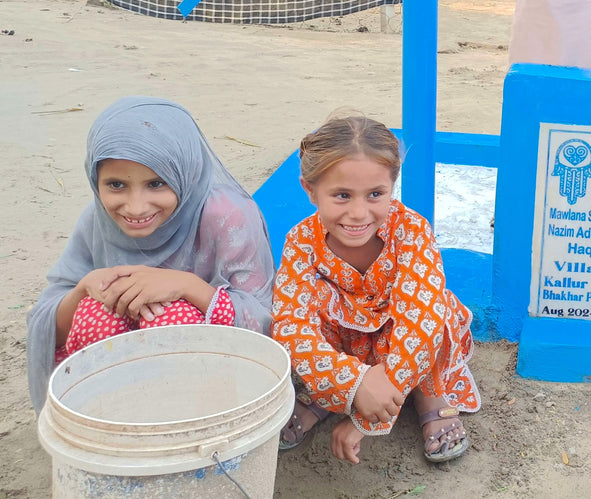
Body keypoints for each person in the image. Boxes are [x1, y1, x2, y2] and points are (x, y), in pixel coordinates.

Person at [26, 97, 276, 413]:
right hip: (117, 394)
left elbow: (265, 322)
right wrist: (84, 287)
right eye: (116, 185)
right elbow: (49, 328)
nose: (136, 207)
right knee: (95, 312)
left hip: (211, 386)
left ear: (186, 172)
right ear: (95, 179)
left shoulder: (226, 216)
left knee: (173, 320)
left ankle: (184, 428)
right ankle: (116, 423)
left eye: (157, 183)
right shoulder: (98, 220)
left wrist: (186, 286)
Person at [273, 115, 480, 464]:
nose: (358, 213)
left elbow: (420, 326)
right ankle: (327, 395)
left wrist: (367, 416)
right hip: (347, 348)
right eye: (341, 195)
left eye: (375, 194)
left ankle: (429, 395)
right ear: (310, 190)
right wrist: (354, 382)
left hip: (404, 343)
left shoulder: (412, 231)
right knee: (310, 303)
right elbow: (291, 329)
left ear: (392, 185)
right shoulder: (301, 242)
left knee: (435, 308)